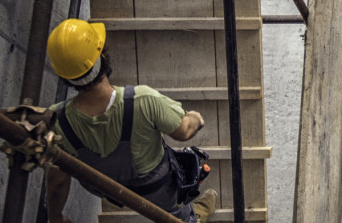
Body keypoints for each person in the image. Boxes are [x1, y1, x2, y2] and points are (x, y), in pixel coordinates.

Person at [42, 18, 218, 223]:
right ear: (103, 57)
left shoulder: (56, 121)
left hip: (109, 190)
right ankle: (192, 217)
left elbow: (57, 182)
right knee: (176, 212)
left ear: (63, 75)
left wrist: (55, 217)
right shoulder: (143, 100)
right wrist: (195, 118)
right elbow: (183, 132)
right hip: (155, 188)